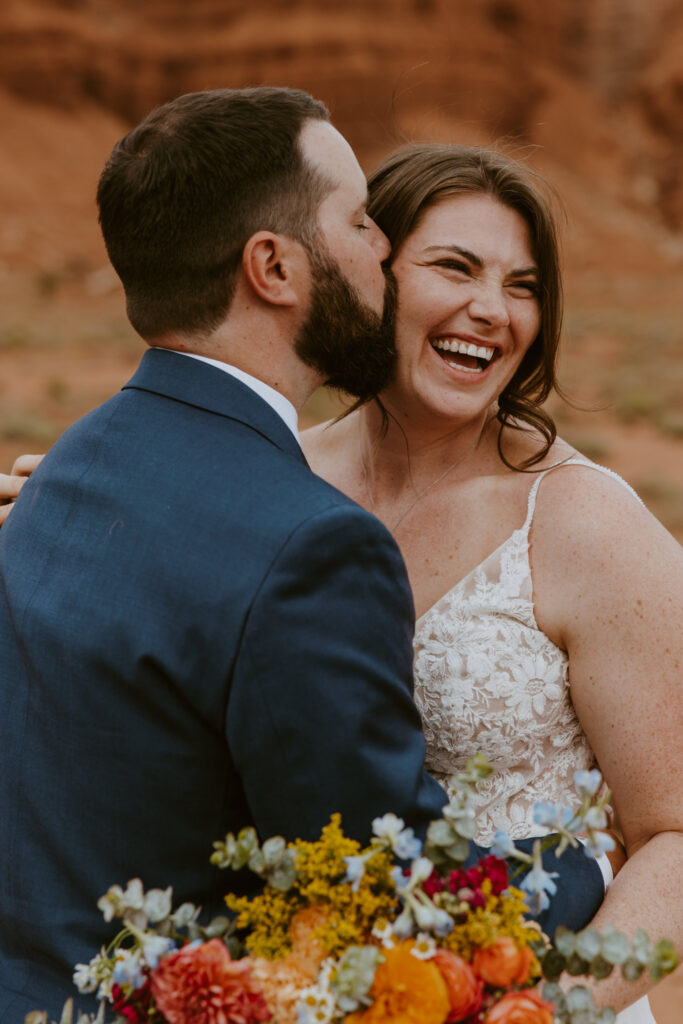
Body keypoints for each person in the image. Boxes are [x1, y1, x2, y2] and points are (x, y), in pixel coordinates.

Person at [0, 94, 604, 1020]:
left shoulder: (73, 462)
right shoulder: (312, 547)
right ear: (274, 266)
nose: (379, 251)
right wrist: (581, 861)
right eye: (359, 221)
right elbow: (385, 893)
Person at [302, 143, 683, 1021]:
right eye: (454, 267)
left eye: (522, 285)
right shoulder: (272, 477)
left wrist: (549, 1009)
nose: (490, 310)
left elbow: (672, 834)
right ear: (371, 273)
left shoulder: (584, 523)